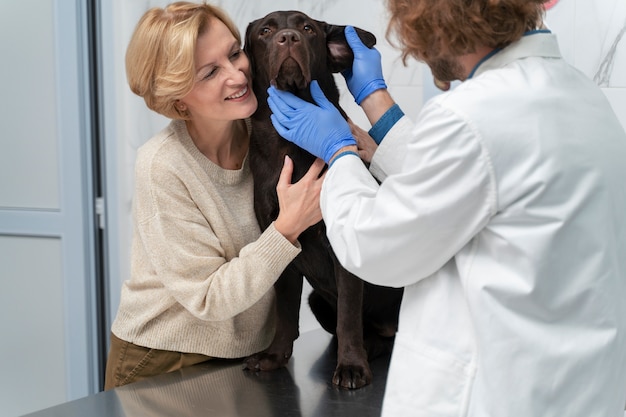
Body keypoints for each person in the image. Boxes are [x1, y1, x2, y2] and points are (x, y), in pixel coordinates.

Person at [266, 0, 626, 416]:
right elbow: (461, 186)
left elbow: (373, 246)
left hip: (491, 395)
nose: (416, 49)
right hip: (573, 389)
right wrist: (374, 98)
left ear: (440, 21)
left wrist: (339, 150)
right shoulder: (578, 93)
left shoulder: (473, 117)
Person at [104, 1, 325, 390]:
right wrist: (287, 227)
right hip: (166, 362)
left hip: (250, 355)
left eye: (235, 53)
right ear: (178, 100)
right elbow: (208, 299)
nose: (238, 74)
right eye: (210, 72)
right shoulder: (162, 166)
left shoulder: (266, 137)